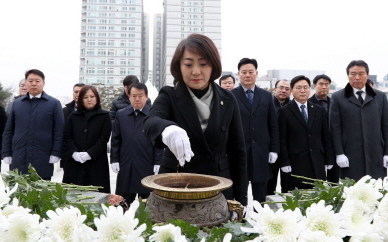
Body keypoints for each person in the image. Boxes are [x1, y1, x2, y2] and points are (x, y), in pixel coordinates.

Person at [143, 33, 247, 206]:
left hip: (218, 185)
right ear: (179, 66)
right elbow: (150, 121)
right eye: (189, 64)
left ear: (213, 65)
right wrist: (167, 128)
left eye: (204, 64)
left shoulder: (227, 99)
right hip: (177, 184)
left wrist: (241, 200)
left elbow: (238, 152)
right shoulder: (169, 95)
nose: (196, 71)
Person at [330, 60, 388, 181]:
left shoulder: (380, 96)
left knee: (376, 193)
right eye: (353, 74)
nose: (357, 77)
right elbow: (335, 127)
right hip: (349, 155)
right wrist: (339, 153)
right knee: (352, 193)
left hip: (376, 153)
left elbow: (387, 127)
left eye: (361, 73)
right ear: (348, 75)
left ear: (367, 75)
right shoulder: (338, 97)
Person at [2, 69, 65, 180]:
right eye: (30, 81)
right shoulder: (16, 104)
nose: (34, 84)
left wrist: (56, 153)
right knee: (18, 192)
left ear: (43, 83)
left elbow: (59, 130)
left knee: (41, 192)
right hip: (19, 156)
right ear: (26, 83)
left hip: (43, 157)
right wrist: (6, 152)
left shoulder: (53, 103)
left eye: (37, 81)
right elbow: (8, 130)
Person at [232, 58, 279, 202]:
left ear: (256, 73)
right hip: (239, 151)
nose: (247, 75)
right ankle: (240, 220)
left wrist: (274, 149)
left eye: (250, 72)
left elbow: (273, 124)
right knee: (240, 192)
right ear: (238, 74)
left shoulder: (266, 96)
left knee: (260, 193)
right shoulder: (230, 95)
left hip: (261, 151)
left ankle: (260, 220)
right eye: (244, 72)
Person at [279, 75, 333, 190]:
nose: (302, 90)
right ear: (292, 90)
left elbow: (325, 137)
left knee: (317, 198)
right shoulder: (284, 111)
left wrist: (329, 159)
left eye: (305, 87)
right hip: (295, 164)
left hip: (317, 163)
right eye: (298, 88)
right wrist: (284, 162)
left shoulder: (319, 110)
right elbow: (281, 139)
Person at [111, 83, 163, 203]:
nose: (137, 99)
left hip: (146, 165)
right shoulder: (121, 114)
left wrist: (157, 161)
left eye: (140, 96)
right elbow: (116, 139)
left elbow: (158, 140)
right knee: (122, 204)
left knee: (147, 205)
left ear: (147, 97)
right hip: (126, 165)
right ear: (129, 97)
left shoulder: (153, 115)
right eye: (134, 96)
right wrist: (114, 159)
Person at [62, 85, 111, 191]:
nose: (89, 99)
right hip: (75, 163)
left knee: (97, 196)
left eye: (92, 96)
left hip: (97, 163)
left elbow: (104, 138)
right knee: (73, 195)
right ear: (81, 99)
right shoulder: (73, 116)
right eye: (85, 97)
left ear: (97, 98)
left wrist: (90, 154)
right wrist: (74, 152)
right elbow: (68, 136)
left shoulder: (105, 116)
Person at [308, 74, 339, 183]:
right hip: (317, 146)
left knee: (334, 179)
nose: (324, 87)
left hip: (334, 145)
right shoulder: (308, 103)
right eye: (321, 84)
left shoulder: (335, 103)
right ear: (314, 86)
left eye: (327, 84)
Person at [267, 79, 291, 195]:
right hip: (271, 149)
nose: (283, 91)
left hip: (288, 151)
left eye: (287, 89)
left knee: (287, 184)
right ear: (275, 89)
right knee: (269, 184)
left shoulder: (292, 107)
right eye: (281, 88)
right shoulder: (267, 104)